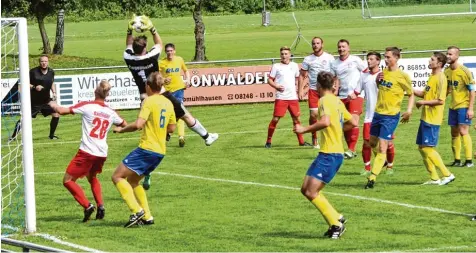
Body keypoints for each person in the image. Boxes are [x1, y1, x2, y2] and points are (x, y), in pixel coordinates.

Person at [123, 16, 218, 190]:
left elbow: (128, 46)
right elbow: (159, 43)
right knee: (185, 115)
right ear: (145, 48)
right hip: (162, 95)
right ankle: (206, 136)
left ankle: (146, 173)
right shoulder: (151, 57)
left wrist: (129, 30)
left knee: (151, 138)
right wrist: (152, 29)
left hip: (145, 99)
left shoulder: (128, 58)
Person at [48, 80, 126, 222]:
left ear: (96, 91)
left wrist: (51, 103)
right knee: (92, 177)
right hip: (101, 153)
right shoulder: (110, 112)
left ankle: (87, 205)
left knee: (67, 180)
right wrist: (118, 129)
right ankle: (100, 206)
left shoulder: (88, 106)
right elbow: (124, 124)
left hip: (87, 152)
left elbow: (62, 111)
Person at [295, 71, 357, 239]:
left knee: (311, 192)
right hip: (328, 153)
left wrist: (304, 129)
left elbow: (325, 122)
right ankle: (337, 217)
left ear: (318, 86)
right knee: (305, 189)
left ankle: (336, 225)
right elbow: (353, 122)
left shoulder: (324, 100)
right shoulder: (337, 101)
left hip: (330, 154)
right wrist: (338, 130)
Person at [112, 72, 176, 228]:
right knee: (133, 181)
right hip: (160, 151)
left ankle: (137, 210)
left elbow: (138, 124)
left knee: (117, 177)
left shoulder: (149, 101)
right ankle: (147, 216)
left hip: (147, 148)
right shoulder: (168, 103)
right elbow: (172, 128)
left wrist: (121, 130)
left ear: (148, 86)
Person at [365, 47, 415, 189]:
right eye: (385, 57)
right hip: (378, 113)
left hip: (391, 116)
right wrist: (377, 82)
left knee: (382, 147)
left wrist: (409, 110)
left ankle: (372, 178)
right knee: (371, 143)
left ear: (397, 58)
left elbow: (411, 93)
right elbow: (380, 88)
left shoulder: (402, 76)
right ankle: (383, 162)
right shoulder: (383, 73)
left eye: (388, 57)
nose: (386, 60)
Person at [414, 52, 455, 185]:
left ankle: (447, 174)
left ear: (439, 64)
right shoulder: (432, 77)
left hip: (433, 119)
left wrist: (423, 103)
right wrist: (408, 89)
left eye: (432, 60)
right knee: (421, 147)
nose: (429, 61)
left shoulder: (441, 79)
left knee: (427, 148)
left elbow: (440, 100)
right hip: (425, 117)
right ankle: (434, 177)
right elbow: (424, 94)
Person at [356, 52, 396, 176]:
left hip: (384, 114)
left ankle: (389, 166)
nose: (368, 61)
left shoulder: (383, 75)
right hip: (369, 116)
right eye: (368, 59)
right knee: (367, 142)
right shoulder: (364, 76)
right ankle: (367, 167)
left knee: (388, 143)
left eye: (371, 59)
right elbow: (357, 91)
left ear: (378, 61)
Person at [265, 46, 309, 148]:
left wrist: (300, 91)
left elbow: (300, 79)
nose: (284, 56)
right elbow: (269, 80)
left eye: (286, 54)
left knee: (296, 120)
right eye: (282, 54)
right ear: (280, 55)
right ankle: (268, 141)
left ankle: (301, 142)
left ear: (289, 55)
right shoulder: (276, 66)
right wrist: (276, 86)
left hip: (293, 98)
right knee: (275, 119)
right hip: (281, 97)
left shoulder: (294, 66)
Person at [330, 39, 367, 159]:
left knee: (353, 121)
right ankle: (350, 150)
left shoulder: (355, 60)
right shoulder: (334, 64)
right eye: (339, 47)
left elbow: (366, 72)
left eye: (343, 47)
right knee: (345, 121)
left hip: (356, 95)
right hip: (341, 97)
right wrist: (334, 90)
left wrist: (360, 89)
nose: (341, 49)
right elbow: (333, 79)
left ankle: (348, 147)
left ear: (349, 48)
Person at [10, 55, 60, 140]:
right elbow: (24, 83)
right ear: (39, 62)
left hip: (46, 101)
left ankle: (51, 136)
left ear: (48, 62)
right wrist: (34, 87)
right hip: (34, 102)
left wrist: (54, 92)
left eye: (45, 61)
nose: (44, 63)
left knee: (56, 114)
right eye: (42, 61)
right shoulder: (33, 72)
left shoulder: (51, 72)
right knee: (25, 119)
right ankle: (13, 137)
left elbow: (52, 83)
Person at [298, 37, 335, 149]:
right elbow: (302, 75)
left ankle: (329, 138)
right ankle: (314, 137)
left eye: (318, 43)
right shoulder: (308, 59)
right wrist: (300, 90)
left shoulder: (329, 58)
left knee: (328, 115)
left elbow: (334, 73)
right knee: (314, 115)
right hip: (314, 90)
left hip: (327, 90)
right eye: (313, 43)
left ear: (322, 44)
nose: (315, 45)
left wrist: (334, 86)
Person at [445, 46, 475, 167]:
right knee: (454, 133)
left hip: (463, 105)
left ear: (457, 56)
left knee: (463, 131)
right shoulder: (446, 72)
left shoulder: (464, 71)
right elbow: (446, 90)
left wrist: (471, 108)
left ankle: (469, 160)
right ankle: (457, 160)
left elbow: (472, 91)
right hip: (452, 106)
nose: (448, 56)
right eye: (447, 54)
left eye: (451, 54)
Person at [159, 43, 190, 147]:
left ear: (174, 51)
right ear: (165, 52)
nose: (169, 53)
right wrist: (163, 80)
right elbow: (156, 77)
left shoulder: (179, 60)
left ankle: (181, 136)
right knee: (169, 114)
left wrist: (188, 80)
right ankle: (168, 132)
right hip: (167, 92)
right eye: (167, 51)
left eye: (171, 50)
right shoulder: (161, 63)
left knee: (181, 113)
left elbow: (186, 70)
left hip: (179, 89)